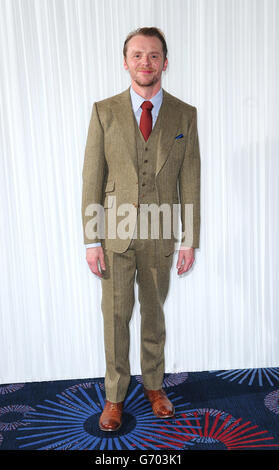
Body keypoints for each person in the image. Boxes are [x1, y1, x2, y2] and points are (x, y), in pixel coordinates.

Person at [81, 27, 200, 431]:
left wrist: (190, 239)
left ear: (165, 62)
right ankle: (114, 397)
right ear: (126, 60)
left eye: (153, 56)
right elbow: (92, 179)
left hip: (161, 233)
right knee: (115, 318)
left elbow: (192, 182)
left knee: (153, 315)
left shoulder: (185, 114)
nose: (145, 63)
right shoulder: (104, 111)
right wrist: (91, 239)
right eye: (137, 55)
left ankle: (154, 386)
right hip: (114, 234)